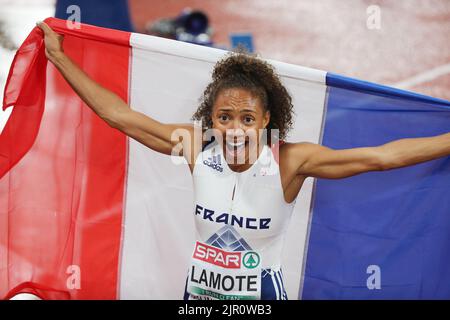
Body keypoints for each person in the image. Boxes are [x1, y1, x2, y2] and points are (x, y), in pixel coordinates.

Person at [37, 22, 450, 300]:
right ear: (211, 118)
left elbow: (379, 157)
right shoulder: (197, 147)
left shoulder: (289, 161)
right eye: (225, 117)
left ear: (267, 119)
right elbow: (119, 116)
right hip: (199, 293)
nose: (235, 129)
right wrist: (59, 57)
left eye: (247, 118)